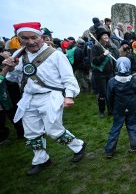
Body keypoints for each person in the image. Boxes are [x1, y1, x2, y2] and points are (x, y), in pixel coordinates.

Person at [1, 22, 86, 175]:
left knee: (54, 130)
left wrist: (69, 96)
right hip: (28, 98)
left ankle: (78, 146)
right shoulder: (18, 56)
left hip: (50, 97)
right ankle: (41, 159)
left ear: (41, 37)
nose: (31, 42)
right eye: (25, 38)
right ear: (19, 39)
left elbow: (68, 78)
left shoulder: (55, 54)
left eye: (34, 37)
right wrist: (11, 68)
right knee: (32, 132)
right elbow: (14, 79)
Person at [104, 57, 136, 158]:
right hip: (131, 106)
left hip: (119, 108)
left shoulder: (112, 81)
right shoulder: (133, 80)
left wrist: (111, 109)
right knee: (133, 126)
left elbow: (109, 97)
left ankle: (109, 150)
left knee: (116, 128)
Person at [90, 27, 119, 117]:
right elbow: (94, 61)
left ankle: (111, 110)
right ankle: (101, 111)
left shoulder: (110, 46)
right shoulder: (95, 47)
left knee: (110, 92)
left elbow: (113, 61)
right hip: (99, 75)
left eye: (107, 35)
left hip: (110, 73)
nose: (106, 36)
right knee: (103, 93)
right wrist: (104, 55)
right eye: (104, 35)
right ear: (100, 37)